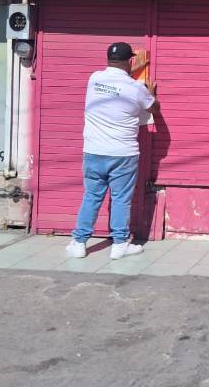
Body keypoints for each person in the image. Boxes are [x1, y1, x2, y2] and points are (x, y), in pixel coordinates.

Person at [66, 43, 159, 260]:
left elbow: (117, 84)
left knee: (92, 196)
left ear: (108, 59)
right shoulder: (136, 88)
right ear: (130, 61)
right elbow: (154, 108)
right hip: (123, 153)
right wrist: (150, 93)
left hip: (94, 151)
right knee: (120, 200)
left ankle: (79, 243)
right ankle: (119, 245)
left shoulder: (94, 79)